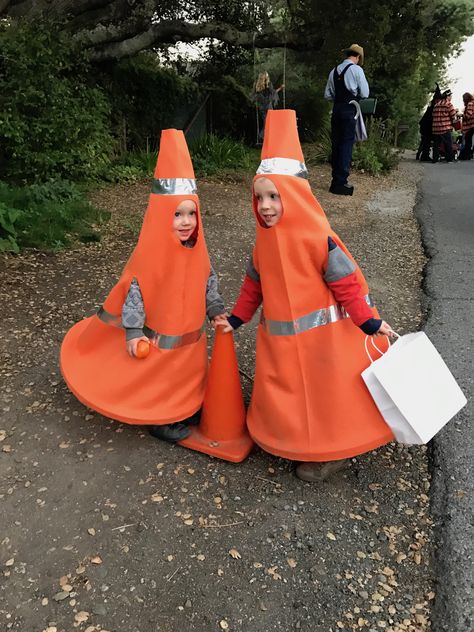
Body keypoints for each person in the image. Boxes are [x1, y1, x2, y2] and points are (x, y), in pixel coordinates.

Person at [220, 109, 396, 482]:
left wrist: (370, 321)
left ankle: (331, 452)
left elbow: (346, 284)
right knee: (290, 393)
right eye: (260, 197)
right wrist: (237, 318)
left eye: (274, 196)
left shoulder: (319, 239)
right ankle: (292, 439)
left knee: (323, 399)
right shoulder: (262, 244)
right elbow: (254, 286)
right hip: (282, 344)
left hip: (324, 345)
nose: (265, 206)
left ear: (295, 198)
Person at [60, 129, 226, 443]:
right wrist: (134, 335)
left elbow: (209, 283)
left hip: (189, 343)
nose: (186, 221)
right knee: (163, 377)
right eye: (177, 214)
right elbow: (134, 298)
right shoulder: (149, 259)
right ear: (162, 217)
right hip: (160, 344)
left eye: (191, 214)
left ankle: (187, 406)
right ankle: (160, 418)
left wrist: (215, 309)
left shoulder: (198, 254)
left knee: (188, 373)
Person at [324, 44, 369, 196]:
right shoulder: (357, 70)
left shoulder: (333, 71)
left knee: (336, 144)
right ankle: (341, 183)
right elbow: (365, 93)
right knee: (346, 145)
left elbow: (327, 95)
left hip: (336, 109)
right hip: (350, 109)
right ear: (357, 57)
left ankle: (335, 181)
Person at [251, 71, 284, 141]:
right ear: (266, 77)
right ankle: (262, 136)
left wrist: (256, 101)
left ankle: (265, 137)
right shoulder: (269, 84)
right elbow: (273, 93)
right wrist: (280, 88)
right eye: (268, 76)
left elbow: (254, 95)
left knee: (266, 122)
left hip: (261, 107)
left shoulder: (256, 84)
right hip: (268, 106)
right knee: (269, 122)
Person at [416, 84, 441, 162]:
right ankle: (425, 156)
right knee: (427, 141)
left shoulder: (432, 105)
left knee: (426, 141)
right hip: (427, 126)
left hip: (425, 125)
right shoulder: (434, 106)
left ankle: (423, 155)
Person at [432, 89, 457, 163]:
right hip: (444, 127)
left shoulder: (436, 104)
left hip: (435, 128)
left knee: (436, 145)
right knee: (448, 143)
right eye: (450, 96)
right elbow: (453, 116)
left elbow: (433, 115)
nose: (451, 97)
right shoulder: (448, 104)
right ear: (447, 96)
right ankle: (449, 159)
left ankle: (435, 159)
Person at [459, 92, 474, 160]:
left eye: (463, 99)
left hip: (471, 125)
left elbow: (468, 115)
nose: (463, 100)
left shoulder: (470, 104)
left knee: (468, 140)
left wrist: (461, 115)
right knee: (469, 140)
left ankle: (467, 155)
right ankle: (469, 154)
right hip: (471, 125)